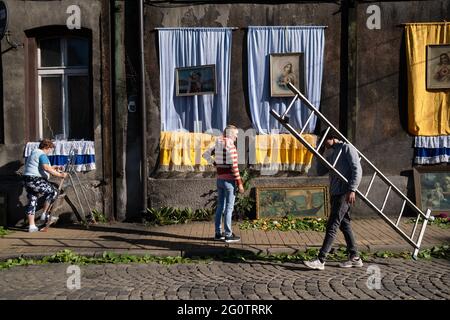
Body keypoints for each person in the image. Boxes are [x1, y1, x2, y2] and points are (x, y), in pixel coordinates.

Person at [303, 130, 363, 270]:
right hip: (336, 193)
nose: (323, 143)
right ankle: (355, 257)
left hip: (344, 193)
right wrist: (320, 154)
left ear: (332, 138)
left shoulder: (347, 148)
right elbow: (320, 171)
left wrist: (352, 189)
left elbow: (357, 169)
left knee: (332, 225)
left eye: (324, 141)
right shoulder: (333, 152)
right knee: (344, 224)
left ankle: (321, 259)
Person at [203, 125, 244, 243]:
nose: (236, 137)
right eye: (235, 135)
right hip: (229, 181)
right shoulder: (230, 145)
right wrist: (240, 183)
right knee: (229, 208)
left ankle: (218, 233)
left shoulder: (218, 142)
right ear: (231, 134)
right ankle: (228, 235)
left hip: (219, 180)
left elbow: (205, 154)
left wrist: (216, 164)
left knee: (220, 206)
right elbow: (234, 166)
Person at [23, 139, 67, 232]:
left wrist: (54, 167)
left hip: (27, 180)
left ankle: (32, 226)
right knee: (54, 192)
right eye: (51, 149)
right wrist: (60, 175)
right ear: (47, 147)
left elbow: (40, 167)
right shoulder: (42, 154)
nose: (50, 151)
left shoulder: (34, 152)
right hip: (35, 180)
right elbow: (46, 168)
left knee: (32, 200)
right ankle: (45, 213)